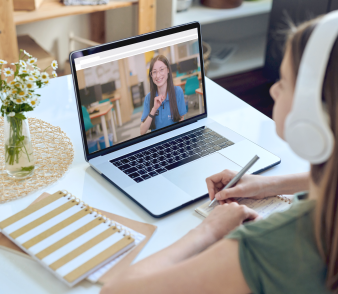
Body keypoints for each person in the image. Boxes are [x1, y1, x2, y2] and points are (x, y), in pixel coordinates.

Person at [101, 15, 338, 294]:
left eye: (283, 82)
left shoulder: (277, 245)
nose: (273, 89)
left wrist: (209, 230)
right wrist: (268, 184)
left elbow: (115, 291)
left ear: (315, 115)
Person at [140, 55, 187, 135]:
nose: (158, 75)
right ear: (151, 75)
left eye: (161, 69)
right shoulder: (148, 98)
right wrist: (154, 109)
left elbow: (181, 121)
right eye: (154, 72)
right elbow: (142, 132)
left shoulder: (178, 92)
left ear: (168, 70)